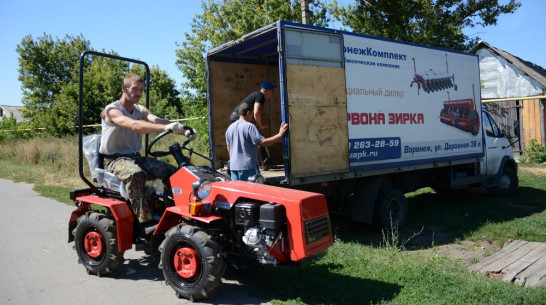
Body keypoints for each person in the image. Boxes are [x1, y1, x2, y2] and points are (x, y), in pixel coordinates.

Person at [99, 74, 194, 229]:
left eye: (141, 90)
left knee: (173, 172)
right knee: (136, 174)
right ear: (124, 89)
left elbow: (156, 120)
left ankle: (173, 211)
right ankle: (145, 222)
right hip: (114, 160)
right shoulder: (112, 110)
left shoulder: (139, 109)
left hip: (136, 158)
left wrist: (183, 130)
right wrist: (166, 128)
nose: (138, 93)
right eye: (134, 89)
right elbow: (134, 125)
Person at [225, 102, 288, 181]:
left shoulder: (230, 128)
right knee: (250, 191)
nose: (252, 117)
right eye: (252, 114)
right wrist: (279, 135)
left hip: (233, 167)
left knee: (238, 192)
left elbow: (229, 148)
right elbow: (263, 143)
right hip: (248, 167)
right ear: (248, 113)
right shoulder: (249, 126)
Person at [230, 81, 278, 170]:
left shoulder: (256, 94)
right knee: (259, 138)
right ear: (268, 90)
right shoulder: (260, 96)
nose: (273, 93)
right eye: (272, 90)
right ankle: (265, 163)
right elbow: (256, 112)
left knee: (238, 141)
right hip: (240, 117)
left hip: (234, 116)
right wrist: (261, 125)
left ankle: (231, 163)